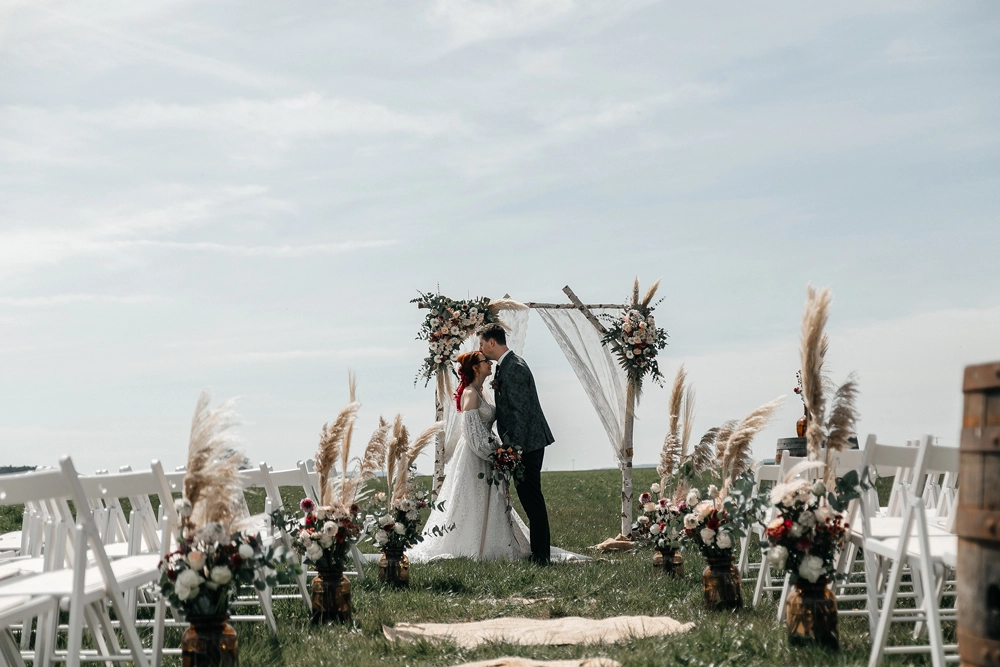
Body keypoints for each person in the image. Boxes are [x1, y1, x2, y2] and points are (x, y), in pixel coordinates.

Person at [408, 350, 532, 561]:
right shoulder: (469, 394)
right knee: (470, 500)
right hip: (474, 455)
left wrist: (499, 451)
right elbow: (472, 433)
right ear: (476, 367)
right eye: (485, 361)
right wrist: (496, 454)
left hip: (487, 453)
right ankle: (472, 545)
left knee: (488, 499)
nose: (490, 364)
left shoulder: (480, 392)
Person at [478, 322, 553, 566]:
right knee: (529, 498)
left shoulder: (515, 368)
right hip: (522, 444)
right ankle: (539, 552)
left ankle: (541, 556)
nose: (480, 349)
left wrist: (515, 450)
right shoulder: (505, 366)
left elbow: (521, 413)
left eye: (481, 343)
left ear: (491, 342)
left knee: (532, 499)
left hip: (528, 444)